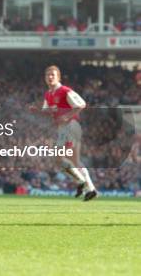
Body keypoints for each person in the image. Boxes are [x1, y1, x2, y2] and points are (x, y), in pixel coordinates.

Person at [40, 65, 98, 201]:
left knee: (66, 158)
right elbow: (46, 111)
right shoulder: (48, 94)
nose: (50, 77)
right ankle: (87, 186)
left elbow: (81, 104)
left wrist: (67, 116)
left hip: (71, 125)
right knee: (62, 159)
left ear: (58, 77)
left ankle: (83, 183)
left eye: (52, 75)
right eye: (47, 75)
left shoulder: (65, 91)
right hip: (62, 129)